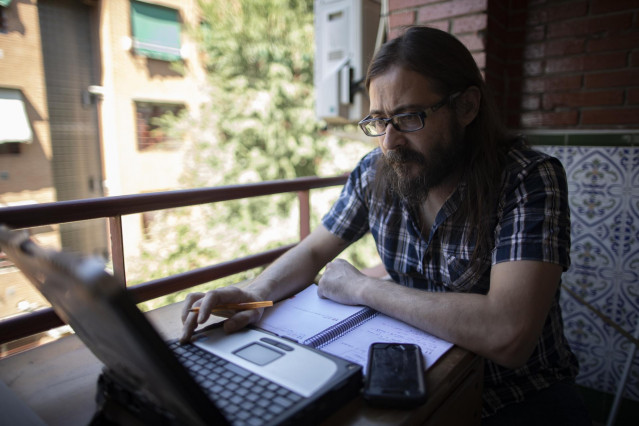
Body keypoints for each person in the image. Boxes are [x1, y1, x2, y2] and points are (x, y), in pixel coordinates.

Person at [181, 26, 590, 425]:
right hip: (420, 384)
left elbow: (509, 333)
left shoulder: (528, 179)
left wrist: (363, 288)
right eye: (379, 121)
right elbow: (313, 251)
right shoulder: (375, 172)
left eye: (409, 117)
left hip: (519, 399)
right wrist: (254, 295)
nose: (390, 142)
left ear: (466, 107)